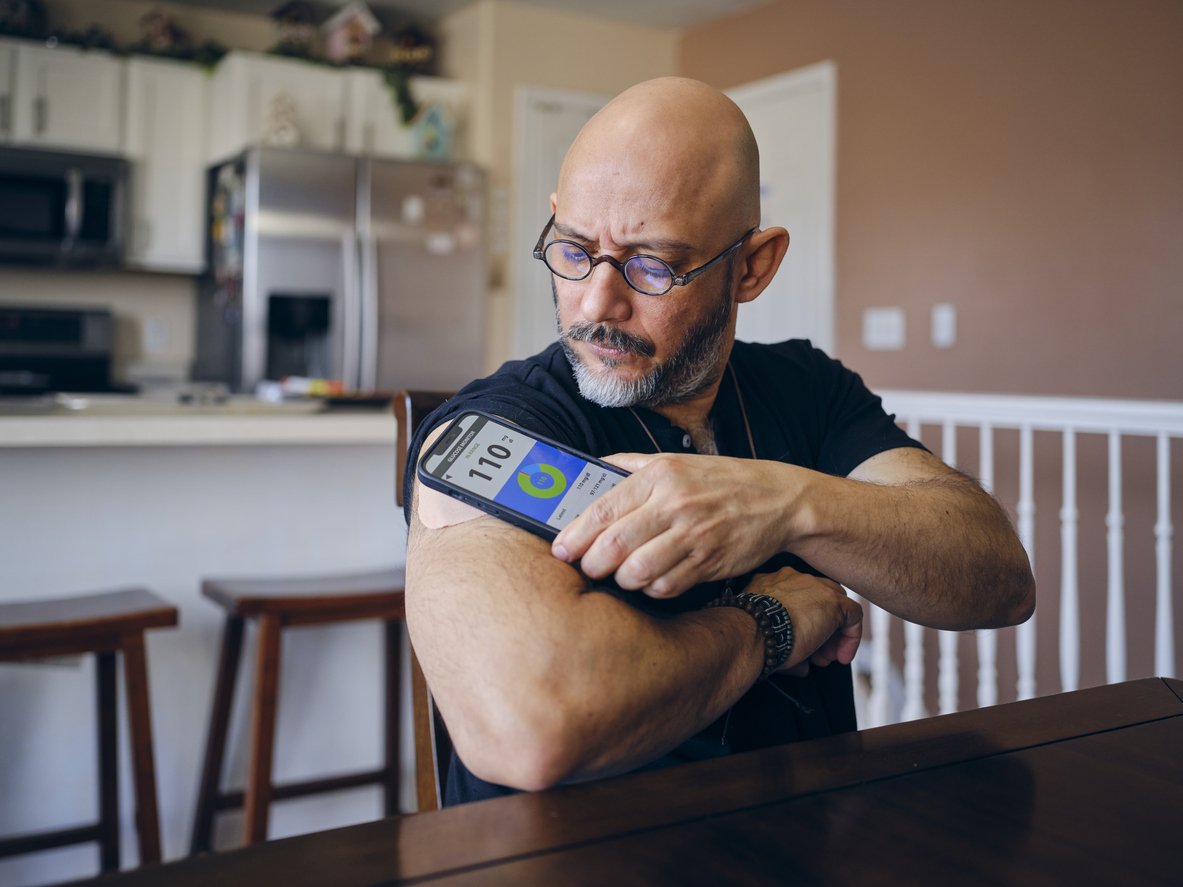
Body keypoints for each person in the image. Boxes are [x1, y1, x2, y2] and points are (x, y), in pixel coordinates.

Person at [403, 77, 1035, 806]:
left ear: (751, 266)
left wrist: (785, 501)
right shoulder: (496, 426)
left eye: (652, 265)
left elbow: (997, 578)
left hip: (799, 841)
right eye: (574, 249)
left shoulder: (807, 389)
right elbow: (530, 724)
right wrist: (774, 622)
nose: (596, 302)